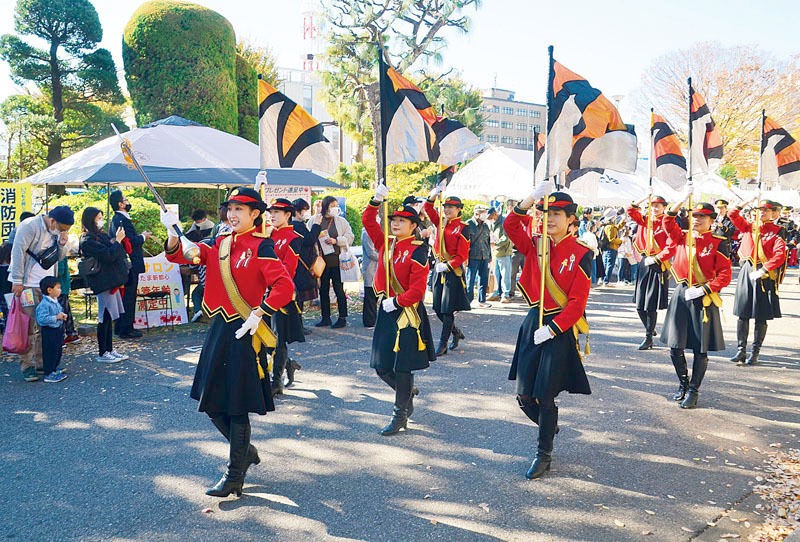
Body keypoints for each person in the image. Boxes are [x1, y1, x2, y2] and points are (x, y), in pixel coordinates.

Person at [161, 186, 294, 498]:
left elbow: (283, 285)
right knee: (210, 401)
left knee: (236, 408)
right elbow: (186, 254)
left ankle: (234, 475)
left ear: (254, 214)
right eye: (230, 209)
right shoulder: (220, 242)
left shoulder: (262, 246)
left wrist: (261, 312)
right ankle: (244, 452)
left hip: (245, 332)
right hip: (220, 327)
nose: (232, 215)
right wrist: (171, 232)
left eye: (240, 210)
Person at [504, 183, 592, 479]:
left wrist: (553, 329)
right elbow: (510, 223)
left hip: (557, 329)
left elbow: (577, 304)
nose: (549, 218)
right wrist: (529, 197)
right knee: (524, 397)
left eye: (557, 214)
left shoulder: (581, 253)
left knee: (545, 395)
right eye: (546, 213)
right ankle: (548, 425)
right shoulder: (535, 244)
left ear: (571, 219)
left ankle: (544, 453)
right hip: (533, 322)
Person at [363, 185, 436, 435]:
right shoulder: (386, 243)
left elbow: (418, 290)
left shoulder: (419, 250)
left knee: (402, 367)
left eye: (402, 220)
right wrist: (376, 200)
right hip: (386, 309)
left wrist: (396, 302)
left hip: (407, 313)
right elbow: (367, 220)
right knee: (382, 366)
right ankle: (406, 394)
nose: (395, 223)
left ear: (413, 225)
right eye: (393, 219)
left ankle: (399, 416)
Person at [660, 197, 731, 409]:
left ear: (711, 220)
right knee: (675, 346)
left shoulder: (718, 242)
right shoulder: (683, 237)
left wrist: (704, 289)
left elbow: (725, 274)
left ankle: (694, 390)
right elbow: (667, 220)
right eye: (695, 216)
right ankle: (683, 383)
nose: (697, 220)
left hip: (702, 296)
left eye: (702, 217)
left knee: (700, 349)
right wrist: (682, 198)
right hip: (682, 293)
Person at [8, 206, 72, 382]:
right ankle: (27, 365)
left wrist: (62, 244)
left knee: (46, 325)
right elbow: (18, 252)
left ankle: (44, 363)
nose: (63, 232)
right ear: (52, 221)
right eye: (62, 228)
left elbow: (58, 258)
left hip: (47, 287)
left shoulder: (57, 232)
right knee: (29, 326)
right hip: (27, 284)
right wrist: (17, 280)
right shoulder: (30, 226)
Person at [727, 198, 786, 365]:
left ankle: (755, 352)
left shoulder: (777, 230)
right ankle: (741, 350)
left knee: (761, 315)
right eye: (759, 210)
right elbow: (732, 214)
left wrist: (764, 269)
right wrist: (750, 200)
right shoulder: (748, 227)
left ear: (774, 213)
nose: (762, 213)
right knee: (742, 313)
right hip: (747, 270)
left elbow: (780, 255)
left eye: (766, 211)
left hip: (763, 274)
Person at [79, 208, 131, 363]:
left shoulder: (99, 236)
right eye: (98, 218)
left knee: (109, 316)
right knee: (104, 316)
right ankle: (103, 352)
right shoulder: (87, 240)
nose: (101, 221)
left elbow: (114, 252)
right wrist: (118, 241)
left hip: (111, 280)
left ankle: (109, 349)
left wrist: (116, 242)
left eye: (101, 217)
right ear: (90, 220)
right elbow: (109, 255)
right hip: (103, 281)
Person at [424, 186, 471, 357]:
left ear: (459, 209)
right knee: (437, 307)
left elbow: (462, 255)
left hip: (452, 271)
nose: (448, 210)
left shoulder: (463, 228)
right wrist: (433, 196)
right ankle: (455, 332)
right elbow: (428, 208)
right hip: (438, 268)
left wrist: (448, 265)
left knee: (447, 309)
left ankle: (442, 344)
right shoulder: (441, 222)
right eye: (446, 207)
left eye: (451, 207)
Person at [266, 198, 305, 393]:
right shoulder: (267, 235)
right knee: (264, 339)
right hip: (262, 292)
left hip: (282, 293)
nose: (272, 215)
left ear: (288, 214)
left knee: (278, 339)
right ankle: (288, 364)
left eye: (277, 212)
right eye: (270, 212)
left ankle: (277, 381)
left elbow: (289, 270)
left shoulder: (293, 238)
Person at [626, 195, 675, 350]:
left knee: (650, 304)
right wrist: (644, 197)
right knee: (640, 305)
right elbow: (630, 210)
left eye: (658, 206)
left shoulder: (667, 222)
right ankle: (650, 328)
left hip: (658, 264)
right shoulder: (645, 220)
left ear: (664, 208)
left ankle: (648, 337)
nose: (654, 208)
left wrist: (658, 258)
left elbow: (671, 245)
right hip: (644, 262)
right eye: (652, 205)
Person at [108, 190, 152, 338]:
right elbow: (130, 241)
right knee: (128, 296)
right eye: (126, 200)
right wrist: (143, 237)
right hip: (129, 264)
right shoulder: (121, 220)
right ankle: (126, 328)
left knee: (126, 296)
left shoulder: (119, 219)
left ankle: (123, 327)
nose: (128, 202)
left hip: (126, 264)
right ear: (120, 204)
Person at [308, 196, 354, 328]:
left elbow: (350, 236)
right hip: (321, 262)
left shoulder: (341, 221)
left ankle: (342, 317)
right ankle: (325, 317)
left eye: (336, 205)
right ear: (325, 206)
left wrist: (337, 241)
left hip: (337, 261)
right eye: (332, 205)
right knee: (323, 290)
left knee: (339, 290)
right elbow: (309, 237)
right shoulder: (314, 220)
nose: (335, 208)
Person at [289, 198, 321, 314]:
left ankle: (299, 324)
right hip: (301, 267)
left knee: (299, 298)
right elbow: (310, 240)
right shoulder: (296, 226)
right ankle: (298, 326)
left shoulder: (296, 225)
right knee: (299, 298)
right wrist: (316, 225)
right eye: (304, 210)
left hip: (301, 266)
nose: (306, 213)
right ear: (297, 212)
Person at [35, 276, 68, 383]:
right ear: (49, 290)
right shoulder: (44, 304)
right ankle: (48, 372)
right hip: (49, 330)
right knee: (50, 351)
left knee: (57, 350)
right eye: (58, 288)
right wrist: (56, 317)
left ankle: (54, 368)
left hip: (57, 329)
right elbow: (42, 319)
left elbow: (58, 311)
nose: (60, 290)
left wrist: (62, 315)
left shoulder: (55, 301)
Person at [465, 204, 492, 308]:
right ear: (477, 214)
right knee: (470, 280)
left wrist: (489, 256)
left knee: (483, 279)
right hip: (472, 256)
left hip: (484, 256)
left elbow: (488, 241)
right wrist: (465, 258)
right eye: (483, 213)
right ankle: (468, 301)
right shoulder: (468, 224)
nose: (485, 215)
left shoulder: (485, 226)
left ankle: (482, 300)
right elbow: (465, 242)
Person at [487, 207, 513, 303]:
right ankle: (496, 293)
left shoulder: (504, 222)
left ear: (494, 214)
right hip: (495, 252)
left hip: (504, 252)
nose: (490, 219)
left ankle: (505, 295)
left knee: (505, 274)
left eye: (490, 217)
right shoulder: (492, 223)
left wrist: (496, 244)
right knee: (496, 274)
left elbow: (507, 237)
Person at [361, 215, 380, 328]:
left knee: (374, 294)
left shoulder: (375, 231)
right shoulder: (367, 232)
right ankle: (369, 320)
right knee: (370, 294)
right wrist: (383, 257)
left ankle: (372, 318)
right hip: (370, 267)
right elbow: (371, 252)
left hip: (376, 267)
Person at [56, 255, 80, 344]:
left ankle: (62, 336)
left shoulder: (59, 253)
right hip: (61, 287)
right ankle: (71, 333)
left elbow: (59, 271)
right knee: (66, 311)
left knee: (61, 311)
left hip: (59, 287)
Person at [601, 217, 621, 285]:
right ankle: (606, 281)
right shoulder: (610, 227)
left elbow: (617, 227)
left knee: (605, 263)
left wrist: (623, 221)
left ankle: (602, 279)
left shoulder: (608, 226)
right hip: (611, 248)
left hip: (607, 248)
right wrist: (620, 241)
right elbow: (611, 239)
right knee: (610, 264)